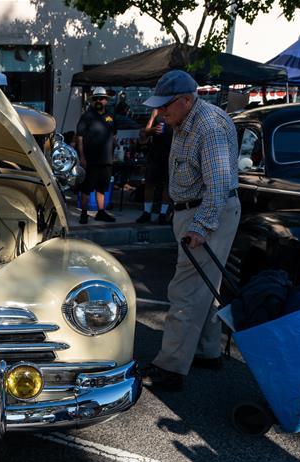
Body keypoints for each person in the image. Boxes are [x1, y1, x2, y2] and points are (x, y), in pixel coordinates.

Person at [139, 70, 241, 392]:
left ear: (185, 100)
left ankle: (169, 367)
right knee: (206, 287)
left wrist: (201, 226)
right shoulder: (185, 120)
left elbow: (220, 185)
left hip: (207, 212)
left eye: (166, 107)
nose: (162, 113)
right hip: (195, 210)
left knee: (184, 291)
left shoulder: (208, 125)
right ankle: (207, 351)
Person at [76, 87, 117, 224]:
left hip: (106, 159)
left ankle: (101, 212)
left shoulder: (110, 116)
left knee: (102, 187)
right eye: (96, 98)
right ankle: (84, 213)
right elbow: (80, 137)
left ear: (106, 100)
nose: (99, 100)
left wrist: (114, 153)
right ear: (93, 101)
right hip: (90, 159)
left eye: (101, 98)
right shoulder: (87, 116)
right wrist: (82, 157)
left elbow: (114, 135)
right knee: (87, 188)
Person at [136, 108, 173, 224]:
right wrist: (152, 130)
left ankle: (163, 214)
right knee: (149, 184)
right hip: (155, 154)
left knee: (167, 186)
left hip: (171, 155)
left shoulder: (176, 110)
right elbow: (145, 131)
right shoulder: (156, 111)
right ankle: (147, 212)